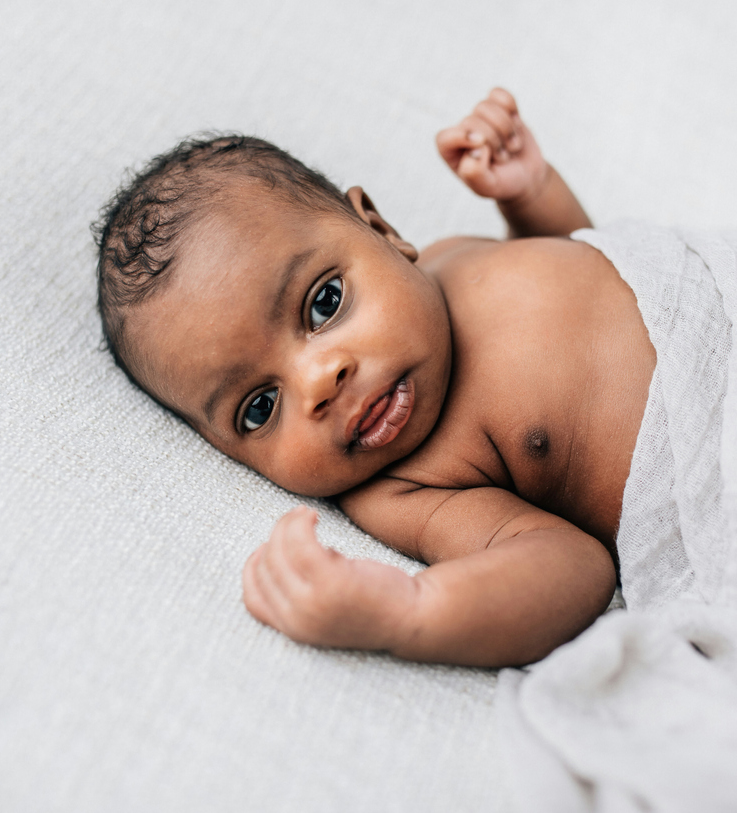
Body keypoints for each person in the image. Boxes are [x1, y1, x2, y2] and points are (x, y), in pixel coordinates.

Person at [94, 88, 666, 667]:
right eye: (260, 407)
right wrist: (409, 612)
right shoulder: (401, 490)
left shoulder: (454, 253)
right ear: (224, 449)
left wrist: (533, 195)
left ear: (381, 229)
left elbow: (600, 267)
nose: (320, 381)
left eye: (324, 303)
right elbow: (570, 565)